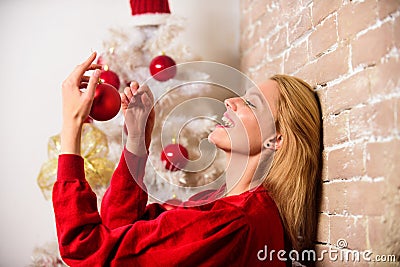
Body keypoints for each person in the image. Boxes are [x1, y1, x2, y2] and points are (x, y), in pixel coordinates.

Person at [53, 52, 321, 266]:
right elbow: (119, 231)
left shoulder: (232, 224)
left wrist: (72, 125)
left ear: (276, 139)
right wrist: (136, 141)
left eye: (251, 104)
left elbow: (86, 252)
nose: (230, 101)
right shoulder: (224, 206)